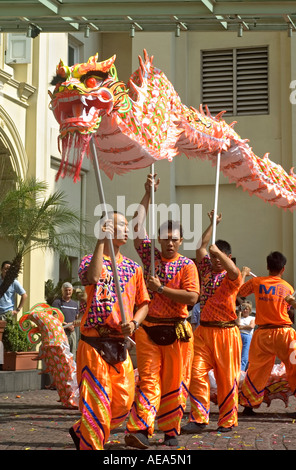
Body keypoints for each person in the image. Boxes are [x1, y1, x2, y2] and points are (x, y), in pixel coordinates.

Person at [125, 174, 200, 449]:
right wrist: (147, 192)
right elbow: (136, 228)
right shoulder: (150, 256)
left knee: (175, 381)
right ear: (159, 239)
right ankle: (142, 429)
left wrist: (161, 289)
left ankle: (171, 430)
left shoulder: (187, 266)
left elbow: (192, 296)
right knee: (148, 379)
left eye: (174, 240)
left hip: (178, 331)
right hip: (148, 330)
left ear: (181, 241)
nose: (169, 243)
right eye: (165, 239)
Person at [69, 212, 150, 450]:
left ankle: (81, 430)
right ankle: (92, 444)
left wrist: (134, 323)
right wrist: (100, 241)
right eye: (121, 225)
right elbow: (92, 277)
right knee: (96, 407)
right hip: (93, 344)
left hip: (120, 343)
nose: (126, 229)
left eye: (127, 225)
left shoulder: (134, 268)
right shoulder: (88, 261)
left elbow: (143, 303)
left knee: (123, 402)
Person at [182, 210, 242, 434]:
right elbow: (200, 249)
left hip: (226, 334)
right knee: (196, 372)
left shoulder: (232, 278)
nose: (215, 261)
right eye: (214, 257)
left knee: (226, 379)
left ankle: (227, 420)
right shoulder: (206, 270)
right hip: (204, 332)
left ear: (227, 256)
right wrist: (211, 224)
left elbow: (234, 271)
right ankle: (199, 417)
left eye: (220, 257)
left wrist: (220, 253)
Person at [238, 252, 296, 414]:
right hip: (285, 334)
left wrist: (243, 273)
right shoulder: (288, 288)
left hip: (262, 334)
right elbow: (288, 310)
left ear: (267, 266)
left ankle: (248, 405)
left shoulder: (256, 282)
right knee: (294, 367)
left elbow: (240, 292)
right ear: (283, 269)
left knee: (256, 369)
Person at [52, 282, 79, 357]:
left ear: (72, 291)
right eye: (66, 290)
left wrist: (74, 325)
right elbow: (55, 317)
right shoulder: (57, 303)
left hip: (72, 332)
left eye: (69, 290)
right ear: (62, 291)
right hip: (62, 332)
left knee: (72, 353)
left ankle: (72, 368)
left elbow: (78, 318)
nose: (68, 292)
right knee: (62, 353)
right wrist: (66, 325)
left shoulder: (75, 304)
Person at [236, 300, 255, 371]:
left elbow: (251, 326)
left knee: (244, 356)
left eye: (247, 309)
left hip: (247, 336)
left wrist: (240, 327)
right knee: (236, 355)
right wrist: (239, 313)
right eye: (244, 308)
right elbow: (237, 324)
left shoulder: (252, 318)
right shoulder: (238, 318)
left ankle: (241, 372)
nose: (245, 310)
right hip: (238, 336)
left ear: (249, 310)